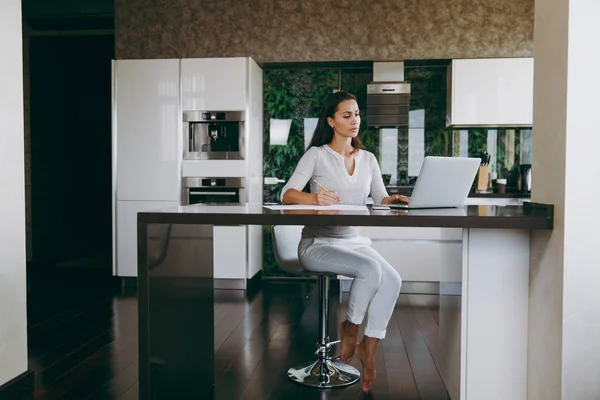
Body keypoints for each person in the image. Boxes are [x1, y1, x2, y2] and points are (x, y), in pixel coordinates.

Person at [280, 90, 409, 393]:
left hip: (354, 242)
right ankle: (349, 329)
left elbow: (380, 198)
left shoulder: (368, 159)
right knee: (370, 270)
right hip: (318, 244)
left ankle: (368, 348)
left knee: (392, 279)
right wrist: (314, 197)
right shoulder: (317, 155)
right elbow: (287, 194)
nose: (354, 121)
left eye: (357, 114)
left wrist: (393, 200)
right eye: (346, 115)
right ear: (331, 121)